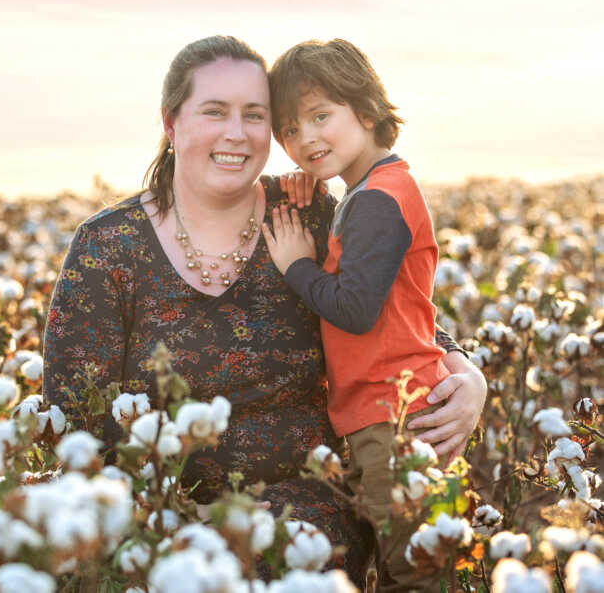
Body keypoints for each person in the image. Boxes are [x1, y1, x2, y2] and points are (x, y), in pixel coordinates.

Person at [42, 35, 487, 586]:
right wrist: (166, 511)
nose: (236, 132)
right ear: (170, 122)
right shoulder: (108, 245)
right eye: (214, 111)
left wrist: (466, 373)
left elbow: (391, 307)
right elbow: (72, 411)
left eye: (254, 115)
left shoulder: (306, 213)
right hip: (150, 511)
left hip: (305, 517)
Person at [261, 38, 466, 590]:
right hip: (387, 408)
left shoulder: (378, 198)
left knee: (412, 574)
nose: (306, 139)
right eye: (289, 130)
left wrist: (296, 266)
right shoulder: (371, 190)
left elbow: (355, 308)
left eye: (320, 116)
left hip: (393, 413)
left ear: (368, 110)